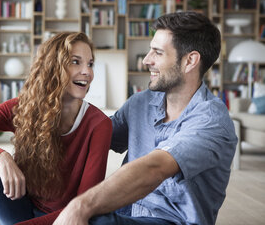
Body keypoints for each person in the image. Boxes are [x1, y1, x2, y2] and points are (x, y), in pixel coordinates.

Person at [51, 12, 238, 225]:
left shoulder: (211, 120)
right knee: (8, 182)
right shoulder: (141, 102)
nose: (146, 60)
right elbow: (93, 137)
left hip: (170, 221)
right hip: (125, 213)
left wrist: (80, 205)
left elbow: (155, 168)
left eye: (157, 52)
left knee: (91, 217)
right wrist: (5, 154)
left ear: (190, 61)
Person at [0, 32, 112, 224]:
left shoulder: (99, 125)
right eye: (75, 62)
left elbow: (84, 206)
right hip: (17, 205)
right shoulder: (23, 107)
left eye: (90, 64)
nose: (87, 72)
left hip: (63, 219)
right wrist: (0, 156)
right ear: (52, 66)